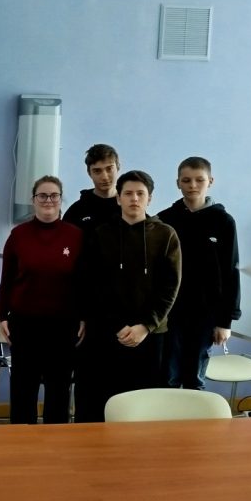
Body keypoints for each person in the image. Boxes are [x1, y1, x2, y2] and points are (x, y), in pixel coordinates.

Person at [76, 170, 181, 422]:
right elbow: (94, 285)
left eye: (140, 194)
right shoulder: (101, 234)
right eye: (128, 193)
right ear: (118, 198)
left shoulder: (166, 235)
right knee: (103, 401)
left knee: (144, 405)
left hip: (150, 334)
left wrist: (145, 326)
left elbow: (170, 287)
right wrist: (117, 325)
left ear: (150, 198)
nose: (134, 198)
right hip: (108, 332)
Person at [0, 176, 84, 424]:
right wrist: (3, 316)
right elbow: (7, 279)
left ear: (60, 199)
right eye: (42, 195)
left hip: (63, 325)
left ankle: (55, 439)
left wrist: (83, 317)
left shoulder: (75, 236)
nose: (48, 200)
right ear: (33, 200)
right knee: (23, 389)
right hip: (25, 324)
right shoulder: (18, 235)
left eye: (54, 195)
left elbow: (83, 281)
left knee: (59, 389)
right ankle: (22, 440)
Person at [158, 157, 240, 389]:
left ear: (210, 181)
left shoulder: (224, 221)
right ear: (178, 183)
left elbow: (231, 272)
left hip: (206, 315)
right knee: (168, 378)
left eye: (199, 180)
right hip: (171, 313)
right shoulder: (165, 220)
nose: (192, 185)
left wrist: (225, 321)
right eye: (186, 180)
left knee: (194, 378)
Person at [62, 143, 122, 234]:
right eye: (97, 171)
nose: (104, 177)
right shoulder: (76, 211)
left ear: (118, 168)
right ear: (89, 173)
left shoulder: (130, 206)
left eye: (109, 169)